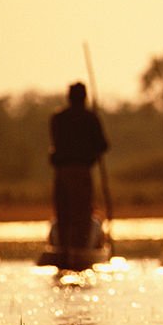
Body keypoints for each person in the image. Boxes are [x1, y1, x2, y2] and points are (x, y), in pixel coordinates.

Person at [49, 82, 109, 249]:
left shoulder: (58, 118)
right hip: (82, 172)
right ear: (84, 98)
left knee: (64, 211)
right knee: (82, 212)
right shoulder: (90, 118)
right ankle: (80, 248)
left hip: (62, 172)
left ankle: (64, 247)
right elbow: (103, 145)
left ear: (69, 98)